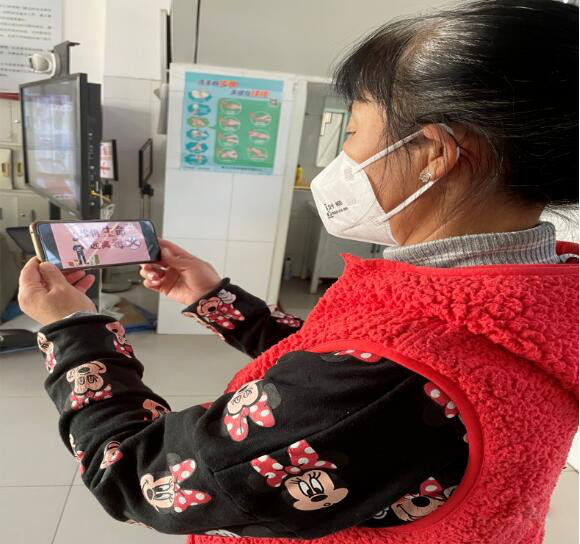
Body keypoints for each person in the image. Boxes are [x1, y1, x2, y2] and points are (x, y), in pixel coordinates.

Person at [17, 1, 578, 542]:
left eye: (353, 133)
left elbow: (142, 476)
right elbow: (336, 357)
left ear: (434, 152)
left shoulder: (402, 376)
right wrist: (215, 300)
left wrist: (75, 332)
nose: (343, 160)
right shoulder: (536, 289)